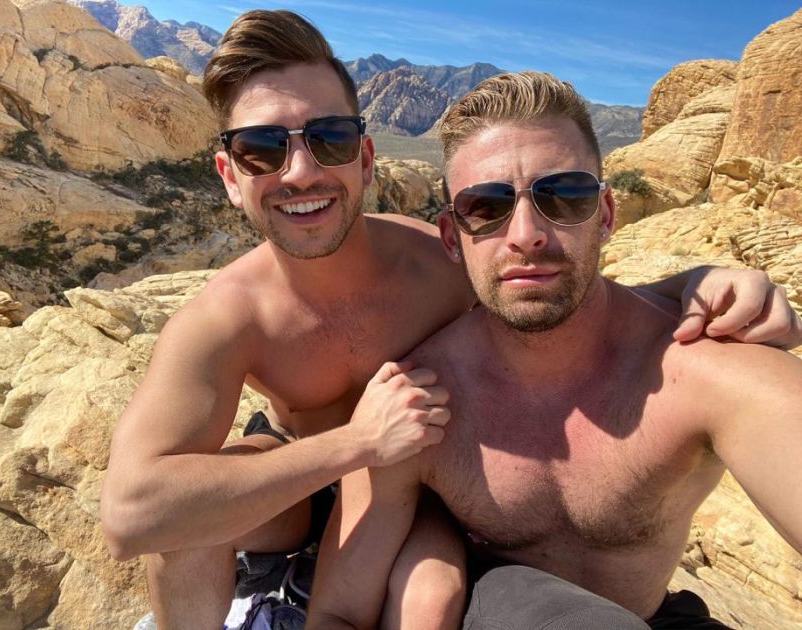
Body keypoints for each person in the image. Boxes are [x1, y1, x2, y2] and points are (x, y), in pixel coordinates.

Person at [99, 10, 802, 629]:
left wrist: (691, 287)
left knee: (430, 594)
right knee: (184, 526)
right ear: (229, 174)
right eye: (262, 149)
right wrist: (357, 442)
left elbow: (549, 293)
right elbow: (131, 516)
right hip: (306, 473)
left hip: (418, 483)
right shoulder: (223, 319)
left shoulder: (441, 262)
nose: (301, 171)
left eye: (331, 139)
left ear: (365, 158)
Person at [306, 70, 802, 630]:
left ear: (606, 214)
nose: (526, 234)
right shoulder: (419, 403)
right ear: (451, 237)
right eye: (486, 206)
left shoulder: (706, 371)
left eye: (564, 196)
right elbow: (337, 614)